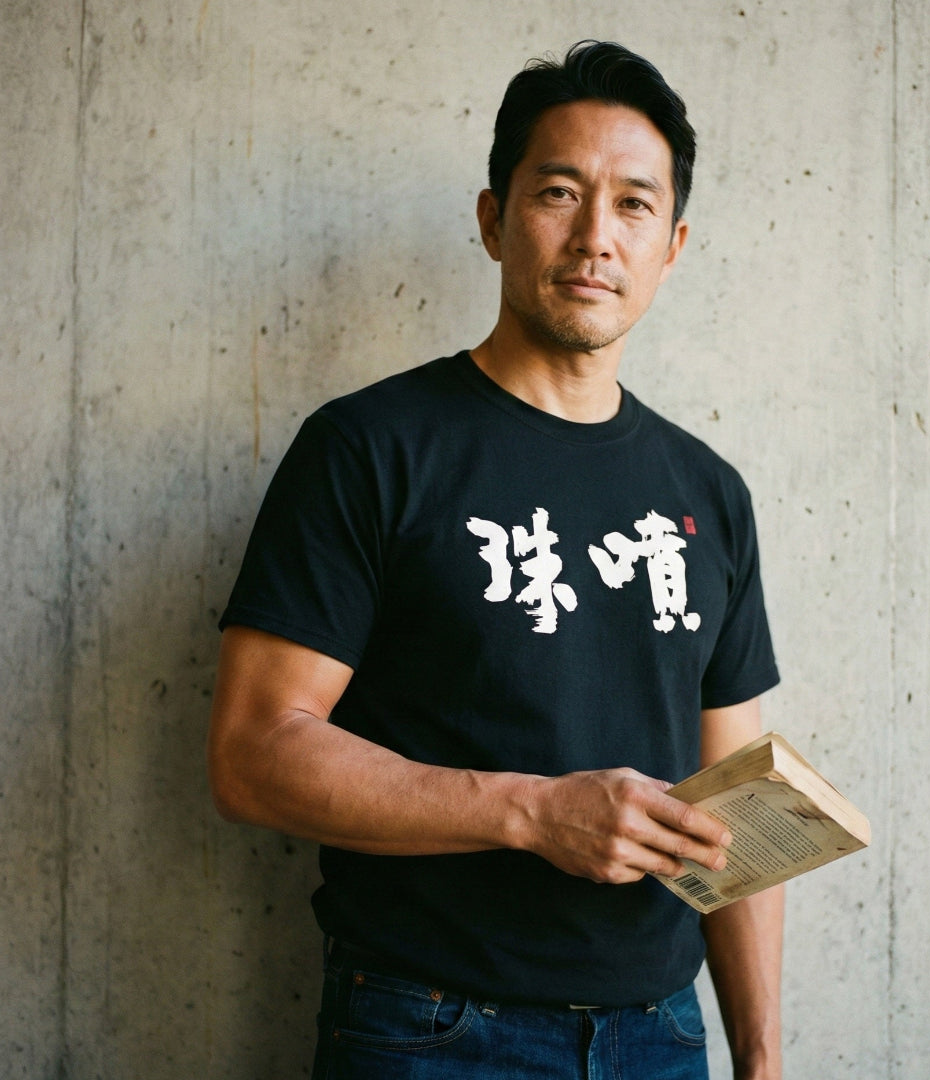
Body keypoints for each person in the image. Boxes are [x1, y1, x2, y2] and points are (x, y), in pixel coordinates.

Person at [207, 40, 783, 1080]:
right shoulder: (370, 449)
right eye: (559, 193)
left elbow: (733, 810)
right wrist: (534, 813)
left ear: (672, 247)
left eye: (634, 205)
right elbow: (252, 755)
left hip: (662, 1034)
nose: (595, 236)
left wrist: (763, 1057)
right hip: (431, 1028)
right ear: (492, 219)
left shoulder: (709, 493)